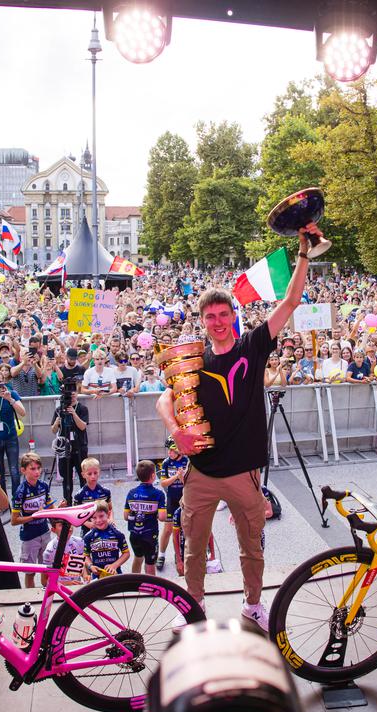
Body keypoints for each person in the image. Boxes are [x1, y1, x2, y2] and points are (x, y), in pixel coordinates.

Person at [156, 221, 320, 630]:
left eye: (223, 314)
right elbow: (165, 398)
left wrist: (303, 254)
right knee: (193, 549)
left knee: (253, 547)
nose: (217, 321)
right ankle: (194, 611)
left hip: (245, 475)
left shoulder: (253, 345)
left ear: (234, 316)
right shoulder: (193, 362)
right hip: (203, 474)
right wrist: (174, 430)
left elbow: (292, 300)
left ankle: (252, 605)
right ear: (203, 320)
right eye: (210, 316)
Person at [11, 452, 57, 589]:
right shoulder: (20, 491)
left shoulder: (44, 486)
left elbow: (50, 507)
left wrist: (57, 513)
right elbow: (14, 520)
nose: (37, 472)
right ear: (23, 470)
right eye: (32, 468)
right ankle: (30, 600)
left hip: (45, 533)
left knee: (47, 568)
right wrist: (34, 516)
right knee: (30, 572)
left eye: (38, 468)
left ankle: (46, 595)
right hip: (29, 537)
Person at [0, 370, 25, 496]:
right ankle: (3, 500)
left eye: (0, 382)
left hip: (10, 437)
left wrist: (10, 399)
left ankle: (16, 498)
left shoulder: (12, 393)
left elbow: (22, 412)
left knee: (14, 470)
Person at [50, 378, 88, 505]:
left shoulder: (82, 408)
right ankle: (68, 502)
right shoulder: (60, 409)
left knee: (83, 477)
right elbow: (53, 430)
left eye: (74, 394)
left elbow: (83, 426)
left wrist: (73, 413)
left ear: (77, 394)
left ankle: (83, 501)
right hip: (64, 448)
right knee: (66, 479)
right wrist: (56, 422)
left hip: (79, 446)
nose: (72, 396)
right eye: (69, 394)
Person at [124, 460, 166, 575]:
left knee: (138, 558)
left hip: (134, 535)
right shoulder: (158, 494)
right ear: (153, 476)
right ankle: (150, 589)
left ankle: (135, 585)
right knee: (150, 563)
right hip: (150, 535)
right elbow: (162, 517)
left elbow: (126, 516)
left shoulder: (131, 493)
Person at [156, 437, 188, 571]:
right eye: (168, 451)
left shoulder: (187, 461)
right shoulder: (166, 463)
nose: (169, 453)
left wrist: (182, 477)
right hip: (171, 497)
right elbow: (163, 483)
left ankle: (180, 553)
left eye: (172, 451)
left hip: (184, 497)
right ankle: (161, 555)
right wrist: (176, 477)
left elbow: (188, 482)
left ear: (179, 451)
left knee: (185, 527)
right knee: (168, 529)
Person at [83, 501, 129, 578]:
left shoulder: (117, 533)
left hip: (115, 574)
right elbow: (85, 555)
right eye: (94, 518)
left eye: (101, 516)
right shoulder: (88, 536)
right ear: (90, 519)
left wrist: (114, 565)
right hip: (97, 575)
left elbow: (126, 553)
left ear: (108, 514)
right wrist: (91, 566)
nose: (98, 520)